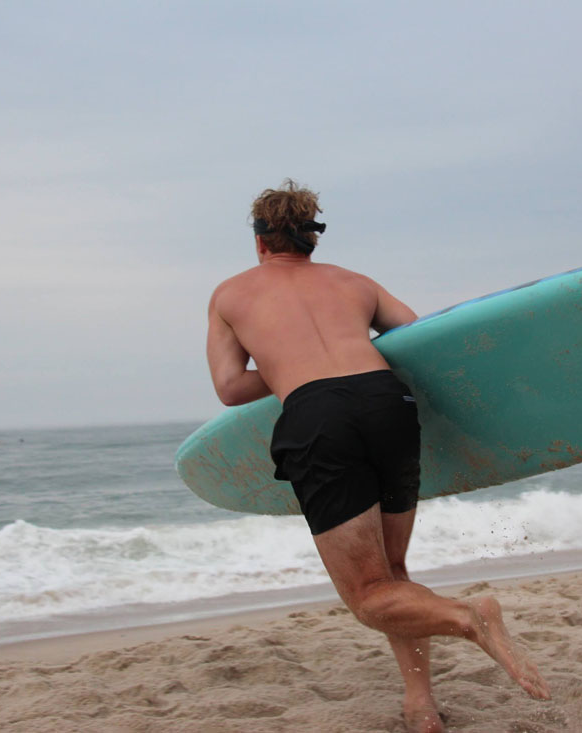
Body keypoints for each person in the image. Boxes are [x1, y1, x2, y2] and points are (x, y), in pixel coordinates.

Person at [205, 180, 550, 732]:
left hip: (318, 416)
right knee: (391, 572)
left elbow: (228, 387)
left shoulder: (230, 295)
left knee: (368, 597)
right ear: (312, 238)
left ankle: (470, 619)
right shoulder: (355, 282)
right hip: (388, 402)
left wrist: (287, 364)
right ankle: (421, 703)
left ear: (260, 241)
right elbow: (416, 334)